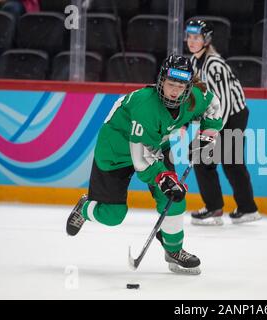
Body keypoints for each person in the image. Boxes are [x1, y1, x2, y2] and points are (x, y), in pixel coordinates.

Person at [65, 54, 222, 275]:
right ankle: (85, 207)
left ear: (188, 86)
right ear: (161, 82)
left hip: (156, 145)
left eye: (180, 86)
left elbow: (213, 105)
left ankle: (174, 250)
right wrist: (164, 178)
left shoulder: (194, 97)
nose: (175, 91)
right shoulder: (145, 106)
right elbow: (141, 159)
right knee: (112, 216)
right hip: (116, 151)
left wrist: (207, 133)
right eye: (170, 84)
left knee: (174, 198)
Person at [185, 18, 262, 226]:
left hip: (232, 116)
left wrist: (211, 132)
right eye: (189, 37)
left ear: (206, 40)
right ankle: (242, 208)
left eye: (196, 37)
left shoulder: (215, 65)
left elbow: (225, 102)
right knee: (226, 162)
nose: (191, 42)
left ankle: (220, 208)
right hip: (221, 116)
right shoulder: (193, 62)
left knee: (207, 157)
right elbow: (197, 97)